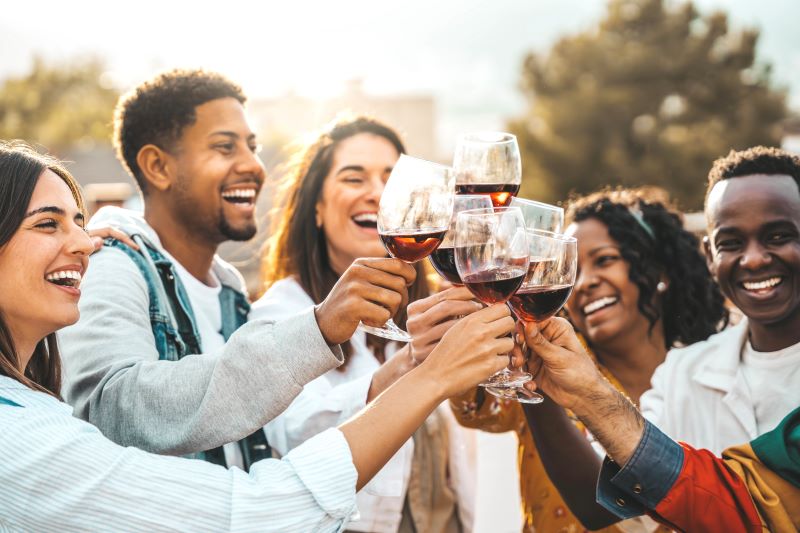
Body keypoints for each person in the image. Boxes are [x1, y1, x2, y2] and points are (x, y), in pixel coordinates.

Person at [0, 140, 517, 532]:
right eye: (47, 224)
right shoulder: (21, 439)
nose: (87, 243)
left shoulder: (226, 293)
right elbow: (258, 509)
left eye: (80, 223)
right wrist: (427, 376)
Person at [58, 69, 420, 470]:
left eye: (252, 146)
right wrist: (318, 329)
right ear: (158, 166)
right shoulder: (113, 262)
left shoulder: (228, 291)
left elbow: (279, 434)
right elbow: (113, 410)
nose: (253, 165)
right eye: (225, 147)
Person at [519, 145, 800, 530]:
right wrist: (534, 376)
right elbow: (616, 506)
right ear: (710, 256)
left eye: (778, 236)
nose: (753, 259)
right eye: (731, 243)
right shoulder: (681, 372)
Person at [450, 188, 727, 532]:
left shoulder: (710, 375)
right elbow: (472, 406)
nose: (584, 283)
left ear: (660, 270)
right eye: (571, 269)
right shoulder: (549, 369)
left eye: (605, 260)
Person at [255, 116, 481, 533]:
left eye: (391, 179)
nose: (377, 192)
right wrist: (413, 363)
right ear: (317, 208)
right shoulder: (280, 313)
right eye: (353, 178)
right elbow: (295, 432)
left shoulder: (430, 305)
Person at [516, 316, 800, 532]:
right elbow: (744, 503)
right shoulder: (678, 369)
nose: (753, 261)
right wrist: (569, 390)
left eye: (606, 262)